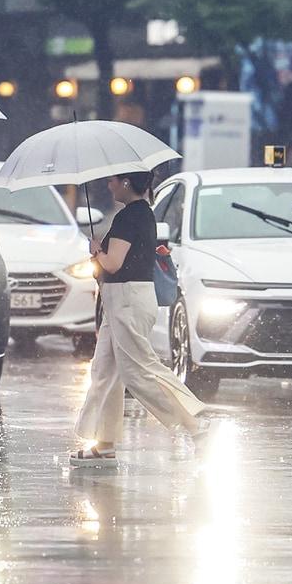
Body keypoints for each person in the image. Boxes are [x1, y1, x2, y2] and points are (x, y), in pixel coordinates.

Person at [69, 171, 206, 466]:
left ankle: (197, 426)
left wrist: (95, 251)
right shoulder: (140, 214)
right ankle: (103, 444)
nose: (109, 185)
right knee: (105, 371)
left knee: (139, 371)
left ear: (126, 183)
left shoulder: (130, 216)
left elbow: (113, 264)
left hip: (127, 300)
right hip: (121, 301)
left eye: (113, 180)